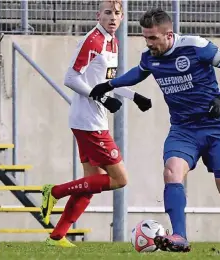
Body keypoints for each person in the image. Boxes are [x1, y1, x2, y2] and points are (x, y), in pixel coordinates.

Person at [89, 7, 220, 253]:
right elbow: (139, 73)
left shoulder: (196, 46)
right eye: (145, 37)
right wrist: (109, 84)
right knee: (171, 171)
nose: (149, 43)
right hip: (183, 129)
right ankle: (180, 236)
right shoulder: (150, 56)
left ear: (168, 34)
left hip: (216, 127)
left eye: (153, 38)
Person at [40, 0, 152, 247]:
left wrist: (134, 96)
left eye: (117, 13)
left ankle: (57, 236)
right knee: (120, 179)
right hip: (88, 121)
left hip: (92, 118)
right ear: (98, 15)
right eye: (108, 12)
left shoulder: (113, 41)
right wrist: (99, 97)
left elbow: (105, 83)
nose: (113, 17)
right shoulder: (94, 40)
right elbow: (70, 77)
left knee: (91, 184)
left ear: (122, 18)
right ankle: (55, 191)